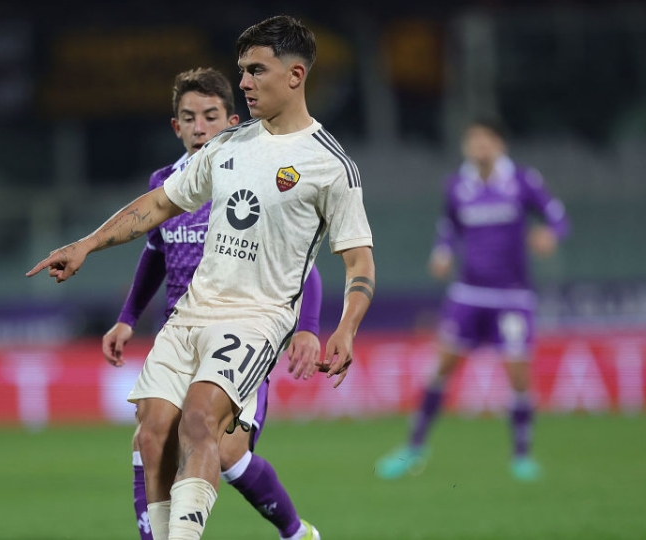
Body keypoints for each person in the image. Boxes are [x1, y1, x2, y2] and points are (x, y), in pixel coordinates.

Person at [28, 15, 375, 540]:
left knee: (199, 421)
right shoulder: (227, 147)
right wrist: (87, 245)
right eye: (242, 71)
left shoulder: (330, 166)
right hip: (190, 312)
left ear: (296, 75)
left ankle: (287, 532)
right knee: (151, 435)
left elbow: (358, 263)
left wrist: (343, 327)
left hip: (254, 319)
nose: (245, 82)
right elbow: (160, 204)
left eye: (257, 70)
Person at [101, 67, 323, 540]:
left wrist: (308, 326)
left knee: (224, 454)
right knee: (151, 435)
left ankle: (295, 532)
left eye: (209, 116)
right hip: (181, 335)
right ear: (175, 126)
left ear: (231, 121)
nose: (199, 127)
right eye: (188, 117)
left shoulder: (253, 183)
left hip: (241, 334)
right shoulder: (165, 183)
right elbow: (154, 254)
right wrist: (126, 320)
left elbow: (304, 265)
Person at [375, 118, 570, 482]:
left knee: (518, 374)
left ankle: (522, 456)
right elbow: (448, 229)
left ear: (500, 144)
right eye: (473, 140)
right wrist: (442, 252)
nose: (480, 146)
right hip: (468, 294)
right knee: (442, 368)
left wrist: (549, 234)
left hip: (512, 295)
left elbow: (558, 218)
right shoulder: (457, 186)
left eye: (486, 139)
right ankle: (414, 448)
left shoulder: (523, 181)